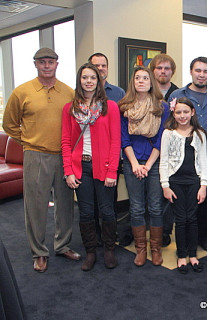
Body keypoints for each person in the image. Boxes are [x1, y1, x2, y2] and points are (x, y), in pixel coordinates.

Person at [2, 48, 80, 273]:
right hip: (35, 154)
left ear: (57, 64)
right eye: (42, 62)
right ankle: (39, 252)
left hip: (63, 155)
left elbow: (76, 123)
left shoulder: (67, 92)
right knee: (35, 205)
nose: (47, 65)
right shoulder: (22, 92)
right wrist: (27, 142)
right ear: (35, 64)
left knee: (65, 204)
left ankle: (62, 245)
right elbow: (9, 125)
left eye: (51, 62)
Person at [61, 63, 121, 271]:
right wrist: (68, 171)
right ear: (79, 81)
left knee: (107, 211)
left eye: (92, 78)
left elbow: (116, 141)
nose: (88, 81)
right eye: (84, 77)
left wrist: (113, 170)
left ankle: (108, 250)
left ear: (99, 81)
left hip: (104, 167)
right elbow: (66, 142)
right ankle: (90, 252)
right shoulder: (70, 109)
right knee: (86, 212)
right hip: (81, 167)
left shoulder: (110, 107)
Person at [169, 57, 207, 253]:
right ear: (191, 72)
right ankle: (184, 242)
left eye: (206, 71)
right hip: (183, 158)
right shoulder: (177, 95)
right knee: (183, 202)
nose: (201, 74)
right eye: (198, 70)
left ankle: (204, 238)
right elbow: (170, 123)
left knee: (206, 200)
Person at [118, 66, 169, 266]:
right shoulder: (124, 107)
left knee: (155, 207)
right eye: (137, 78)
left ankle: (155, 249)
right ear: (133, 82)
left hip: (154, 162)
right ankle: (141, 249)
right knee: (136, 207)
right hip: (132, 161)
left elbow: (161, 139)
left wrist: (147, 165)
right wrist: (134, 164)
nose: (141, 81)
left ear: (151, 82)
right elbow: (123, 138)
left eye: (145, 78)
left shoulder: (161, 107)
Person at [160, 97, 207, 274]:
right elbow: (163, 161)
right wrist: (165, 185)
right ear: (174, 113)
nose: (182, 116)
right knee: (180, 219)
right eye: (178, 112)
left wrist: (203, 185)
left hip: (194, 182)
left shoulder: (200, 134)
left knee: (193, 219)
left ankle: (193, 255)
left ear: (192, 113)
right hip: (175, 182)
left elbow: (203, 161)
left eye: (186, 112)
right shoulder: (168, 134)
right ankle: (181, 256)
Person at [88, 52, 126, 247]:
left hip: (112, 155)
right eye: (96, 65)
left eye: (103, 65)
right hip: (89, 157)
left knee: (109, 199)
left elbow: (123, 126)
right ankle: (93, 236)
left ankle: (110, 236)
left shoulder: (118, 93)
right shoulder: (81, 95)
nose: (101, 69)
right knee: (90, 200)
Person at [148, 53, 179, 247]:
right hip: (149, 149)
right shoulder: (144, 90)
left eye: (167, 68)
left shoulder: (179, 93)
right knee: (149, 195)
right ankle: (149, 229)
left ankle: (165, 231)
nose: (163, 71)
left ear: (172, 71)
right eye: (159, 68)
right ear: (153, 70)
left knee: (167, 194)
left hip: (172, 151)